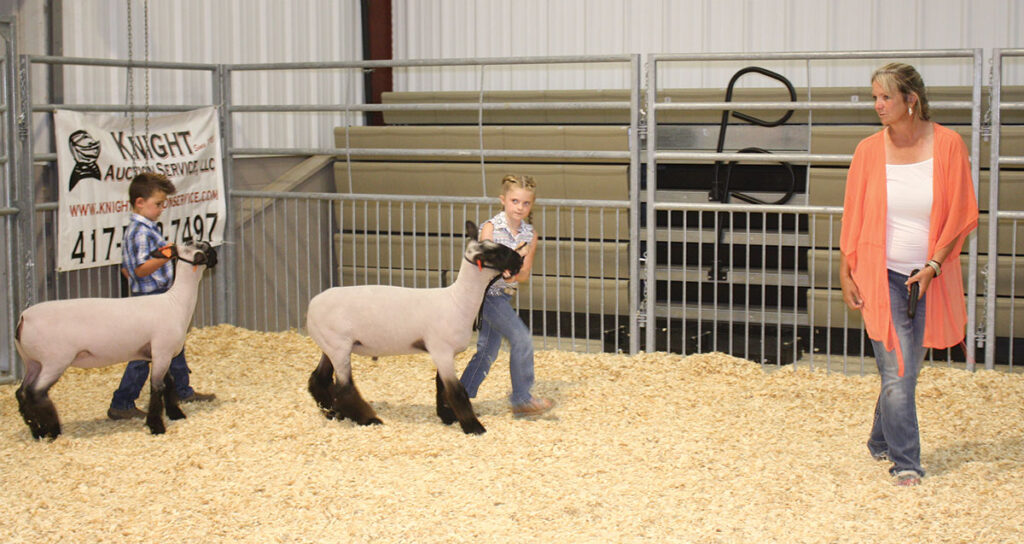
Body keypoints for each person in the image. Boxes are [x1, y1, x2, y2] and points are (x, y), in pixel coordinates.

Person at [839, 63, 978, 486]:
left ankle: (880, 438)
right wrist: (847, 272)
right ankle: (906, 462)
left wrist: (934, 266)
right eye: (875, 98)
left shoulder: (949, 145)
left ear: (910, 100)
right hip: (878, 274)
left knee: (905, 369)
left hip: (927, 277)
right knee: (899, 370)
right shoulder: (867, 151)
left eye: (886, 97)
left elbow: (960, 217)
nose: (878, 105)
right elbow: (853, 214)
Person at [108, 172, 215, 420]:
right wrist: (168, 256)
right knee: (142, 355)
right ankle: (122, 403)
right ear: (139, 202)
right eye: (158, 204)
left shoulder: (143, 229)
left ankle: (182, 390)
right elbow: (139, 269)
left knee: (174, 346)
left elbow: (127, 270)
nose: (161, 209)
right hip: (152, 300)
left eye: (162, 204)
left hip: (154, 297)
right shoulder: (140, 232)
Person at [460, 174, 555, 418]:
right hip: (486, 295)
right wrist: (508, 264)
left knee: (487, 351)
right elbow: (484, 264)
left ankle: (458, 398)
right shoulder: (490, 228)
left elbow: (523, 275)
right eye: (515, 201)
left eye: (525, 203)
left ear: (531, 205)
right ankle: (522, 399)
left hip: (503, 295)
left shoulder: (530, 235)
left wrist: (512, 275)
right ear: (503, 200)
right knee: (521, 338)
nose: (520, 208)